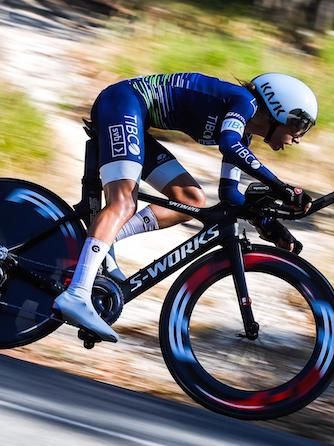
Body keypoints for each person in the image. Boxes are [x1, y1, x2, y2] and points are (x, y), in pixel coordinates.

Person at [54, 72, 317, 342]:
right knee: (123, 203)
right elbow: (229, 145)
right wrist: (281, 188)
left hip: (133, 114)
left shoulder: (243, 134)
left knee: (191, 198)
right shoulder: (244, 102)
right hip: (123, 102)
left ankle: (103, 241)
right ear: (279, 110)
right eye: (299, 126)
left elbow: (230, 196)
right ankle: (77, 294)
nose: (298, 138)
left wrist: (272, 229)